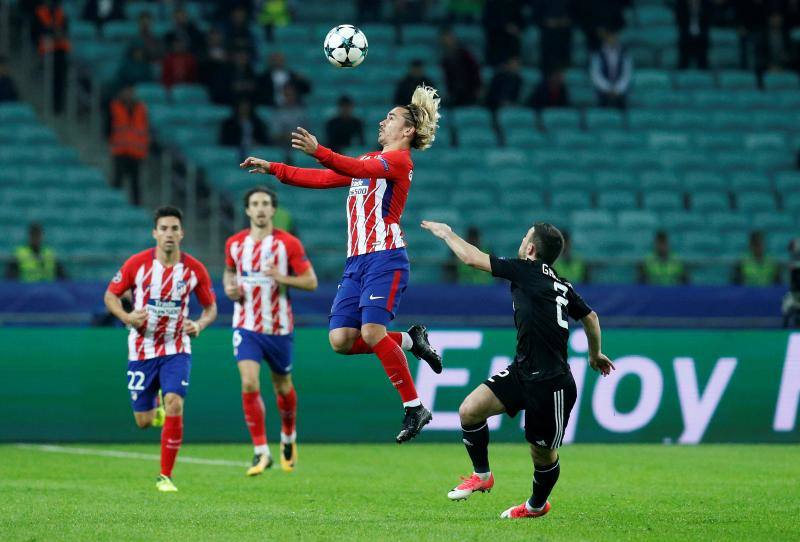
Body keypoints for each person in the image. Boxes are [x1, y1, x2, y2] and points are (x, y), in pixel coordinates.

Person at [239, 85, 444, 443]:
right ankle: (412, 341)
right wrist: (274, 168)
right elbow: (322, 177)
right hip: (357, 263)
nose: (383, 122)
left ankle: (414, 407)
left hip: (385, 258)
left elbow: (342, 165)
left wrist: (320, 150)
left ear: (407, 131)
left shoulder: (397, 161)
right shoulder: (369, 163)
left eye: (391, 118)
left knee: (371, 333)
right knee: (341, 340)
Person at [420, 220, 614, 519]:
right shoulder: (561, 284)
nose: (521, 242)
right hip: (522, 371)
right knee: (470, 410)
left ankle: (536, 506)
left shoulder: (526, 270)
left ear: (532, 249)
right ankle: (482, 475)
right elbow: (591, 317)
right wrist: (595, 353)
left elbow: (472, 258)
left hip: (552, 384)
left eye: (525, 238)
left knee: (542, 454)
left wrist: (446, 234)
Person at [103, 206, 217, 492]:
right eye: (163, 228)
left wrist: (200, 324)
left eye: (174, 229)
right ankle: (156, 410)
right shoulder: (137, 264)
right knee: (143, 421)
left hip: (176, 346)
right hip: (141, 348)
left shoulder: (194, 269)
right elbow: (110, 295)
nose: (169, 234)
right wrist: (127, 317)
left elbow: (211, 307)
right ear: (155, 233)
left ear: (182, 233)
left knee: (176, 402)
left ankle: (165, 476)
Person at [223, 187, 318, 475]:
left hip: (278, 328)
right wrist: (230, 287)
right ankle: (260, 451)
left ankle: (288, 436)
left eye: (266, 203)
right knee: (249, 383)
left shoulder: (288, 244)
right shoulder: (235, 244)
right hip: (246, 326)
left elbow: (311, 281)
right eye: (255, 204)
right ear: (248, 210)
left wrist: (281, 277)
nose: (261, 208)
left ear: (273, 210)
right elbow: (229, 270)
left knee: (283, 386)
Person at [108, 84, 149, 205]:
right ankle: (114, 204)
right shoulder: (114, 107)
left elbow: (144, 129)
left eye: (131, 91)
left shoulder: (141, 108)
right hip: (120, 150)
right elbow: (108, 127)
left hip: (136, 152)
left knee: (135, 182)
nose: (129, 94)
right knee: (117, 180)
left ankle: (136, 205)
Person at [31, 0, 70, 114]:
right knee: (50, 77)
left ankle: (59, 105)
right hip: (46, 49)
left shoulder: (61, 13)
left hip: (60, 50)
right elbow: (34, 33)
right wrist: (48, 33)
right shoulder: (39, 13)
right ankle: (51, 105)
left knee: (60, 78)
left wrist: (59, 33)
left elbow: (65, 30)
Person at [590, 28, 633, 109]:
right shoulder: (598, 53)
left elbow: (627, 73)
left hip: (620, 91)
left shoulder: (624, 53)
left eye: (614, 36)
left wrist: (618, 88)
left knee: (623, 103)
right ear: (605, 38)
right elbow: (595, 74)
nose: (612, 39)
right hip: (603, 90)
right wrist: (608, 88)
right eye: (610, 37)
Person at [440, 28, 482, 106]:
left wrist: (478, 87)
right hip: (452, 92)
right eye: (445, 39)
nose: (447, 41)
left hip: (468, 89)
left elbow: (475, 70)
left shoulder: (465, 54)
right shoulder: (442, 57)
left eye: (449, 38)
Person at [676, 0, 711, 70]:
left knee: (702, 45)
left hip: (702, 38)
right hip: (686, 38)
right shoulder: (681, 4)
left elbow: (708, 21)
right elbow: (680, 21)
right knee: (684, 45)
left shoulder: (706, 4)